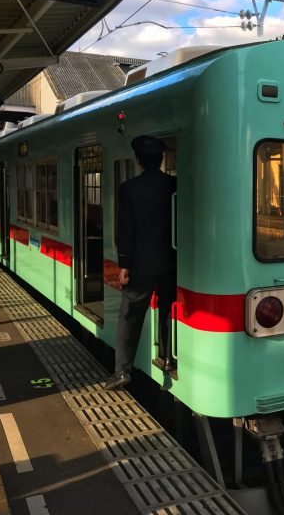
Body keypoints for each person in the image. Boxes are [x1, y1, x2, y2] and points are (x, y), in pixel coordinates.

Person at [105, 135, 177, 390]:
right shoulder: (174, 184)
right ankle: (168, 357)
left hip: (141, 265)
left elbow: (127, 229)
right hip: (171, 262)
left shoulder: (129, 189)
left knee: (130, 316)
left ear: (138, 160)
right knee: (168, 309)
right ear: (161, 160)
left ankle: (122, 371)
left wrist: (124, 264)